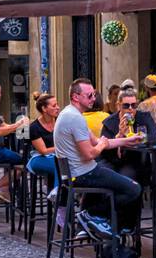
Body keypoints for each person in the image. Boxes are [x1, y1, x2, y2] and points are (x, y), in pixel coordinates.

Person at [53, 79, 144, 240]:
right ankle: (93, 216)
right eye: (89, 95)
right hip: (84, 174)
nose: (93, 99)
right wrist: (102, 144)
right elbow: (91, 153)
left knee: (120, 182)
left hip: (77, 173)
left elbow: (98, 141)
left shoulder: (71, 114)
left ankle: (98, 220)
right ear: (75, 97)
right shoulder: (75, 118)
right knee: (134, 189)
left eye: (94, 95)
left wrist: (126, 140)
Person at [98, 88, 156, 182]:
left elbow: (154, 135)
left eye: (134, 105)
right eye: (126, 105)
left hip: (136, 161)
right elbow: (104, 150)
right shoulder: (109, 122)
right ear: (119, 105)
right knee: (103, 176)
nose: (130, 109)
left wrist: (139, 139)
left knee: (126, 178)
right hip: (113, 162)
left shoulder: (144, 117)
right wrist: (120, 135)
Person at [27, 92, 60, 184]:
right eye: (54, 106)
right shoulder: (34, 127)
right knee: (60, 166)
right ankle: (58, 193)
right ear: (44, 109)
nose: (58, 107)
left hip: (58, 156)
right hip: (39, 158)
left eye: (57, 104)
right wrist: (63, 148)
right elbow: (44, 151)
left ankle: (59, 194)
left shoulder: (60, 121)